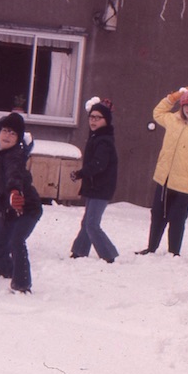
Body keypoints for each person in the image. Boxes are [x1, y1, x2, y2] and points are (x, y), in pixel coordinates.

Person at [137, 86, 188, 256]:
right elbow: (157, 112)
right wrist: (174, 96)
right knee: (157, 214)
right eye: (185, 105)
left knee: (177, 219)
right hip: (163, 179)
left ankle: (174, 253)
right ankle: (151, 248)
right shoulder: (173, 120)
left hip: (184, 185)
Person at [0, 112, 43, 293]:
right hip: (9, 208)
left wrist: (14, 191)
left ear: (18, 139)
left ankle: (22, 284)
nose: (7, 136)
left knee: (17, 240)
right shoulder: (0, 149)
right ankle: (3, 270)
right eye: (5, 131)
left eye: (13, 134)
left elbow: (13, 174)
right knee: (0, 243)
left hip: (27, 206)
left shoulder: (14, 156)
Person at [69, 97, 119, 263]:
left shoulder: (104, 141)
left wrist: (80, 173)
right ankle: (79, 251)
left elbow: (99, 164)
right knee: (87, 222)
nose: (94, 121)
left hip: (101, 188)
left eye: (98, 118)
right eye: (91, 117)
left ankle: (109, 255)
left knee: (92, 224)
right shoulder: (96, 137)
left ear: (106, 120)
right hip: (94, 186)